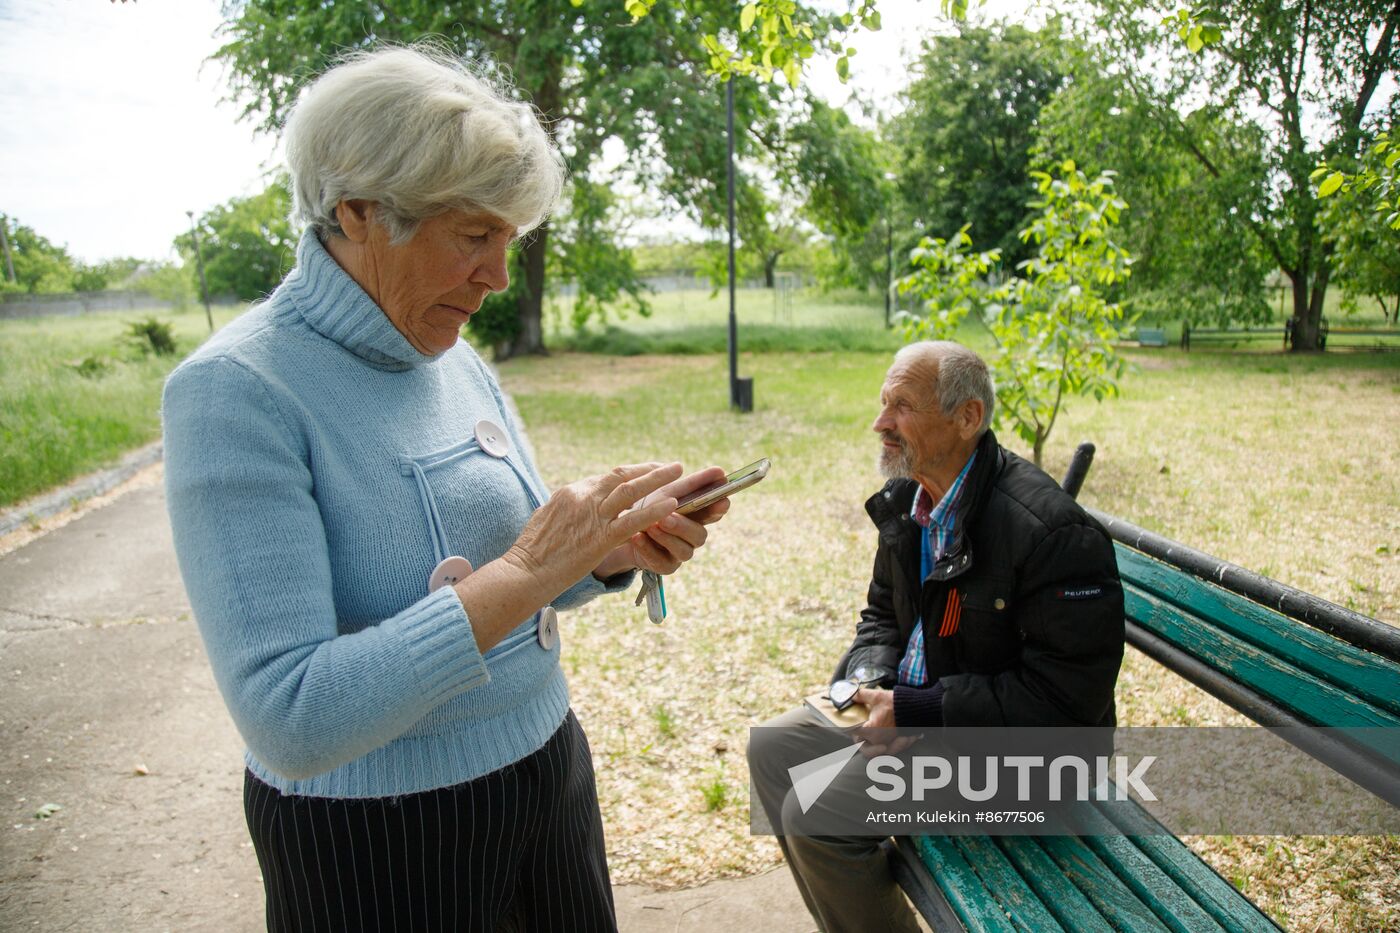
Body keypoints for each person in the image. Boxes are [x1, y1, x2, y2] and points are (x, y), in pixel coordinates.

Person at [162, 46, 730, 932]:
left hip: (545, 771)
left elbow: (524, 572)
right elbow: (290, 718)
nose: (498, 279)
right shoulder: (236, 390)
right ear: (357, 213)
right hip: (382, 841)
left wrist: (606, 553)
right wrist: (533, 567)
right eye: (474, 237)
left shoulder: (450, 351)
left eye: (510, 242)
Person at [747, 341, 1124, 933]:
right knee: (771, 748)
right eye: (882, 403)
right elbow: (881, 615)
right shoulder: (910, 501)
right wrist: (871, 687)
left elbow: (1064, 702)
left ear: (967, 418)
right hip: (925, 718)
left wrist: (918, 712)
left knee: (815, 809)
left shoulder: (1052, 533)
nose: (880, 423)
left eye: (902, 407)